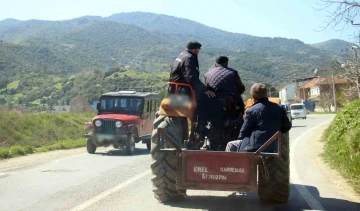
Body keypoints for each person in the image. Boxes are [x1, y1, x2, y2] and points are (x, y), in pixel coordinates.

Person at [168, 41, 230, 130]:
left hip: (173, 90)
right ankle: (201, 128)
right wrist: (205, 90)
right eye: (198, 50)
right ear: (196, 50)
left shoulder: (181, 55)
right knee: (209, 100)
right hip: (184, 92)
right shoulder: (189, 58)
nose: (198, 52)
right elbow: (191, 78)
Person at [225, 83, 292, 152]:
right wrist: (275, 131)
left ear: (252, 96)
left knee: (231, 145)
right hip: (274, 146)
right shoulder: (279, 108)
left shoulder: (251, 110)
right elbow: (287, 126)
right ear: (266, 94)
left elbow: (243, 133)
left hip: (255, 147)